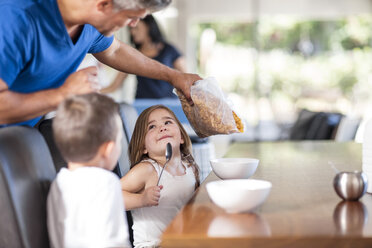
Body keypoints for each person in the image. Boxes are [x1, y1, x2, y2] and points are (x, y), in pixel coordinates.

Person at [0, 0, 200, 127]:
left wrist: (174, 76)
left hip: (20, 135)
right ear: (104, 5)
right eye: (132, 18)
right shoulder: (14, 19)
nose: (133, 25)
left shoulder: (91, 25)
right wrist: (63, 95)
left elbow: (115, 50)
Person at [47, 93, 131, 248]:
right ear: (108, 149)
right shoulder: (106, 182)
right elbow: (112, 243)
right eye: (119, 141)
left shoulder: (59, 182)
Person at [120, 105, 200, 248]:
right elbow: (111, 195)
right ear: (143, 146)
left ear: (181, 136)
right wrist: (141, 199)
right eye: (151, 127)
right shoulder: (147, 170)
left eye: (167, 122)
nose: (162, 128)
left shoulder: (190, 168)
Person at [130, 14, 187, 99]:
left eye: (136, 28)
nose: (132, 32)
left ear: (148, 27)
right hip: (142, 105)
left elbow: (185, 78)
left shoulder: (169, 50)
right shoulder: (133, 53)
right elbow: (115, 84)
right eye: (130, 29)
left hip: (168, 104)